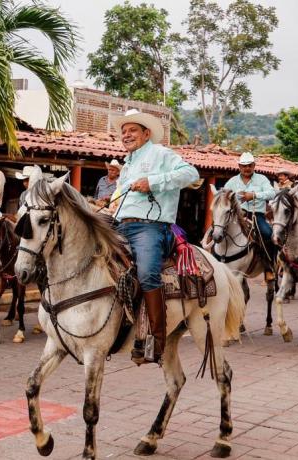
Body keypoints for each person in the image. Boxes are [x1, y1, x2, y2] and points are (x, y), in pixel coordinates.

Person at [113, 109, 200, 364]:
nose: (127, 135)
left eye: (133, 130)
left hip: (150, 227)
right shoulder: (127, 164)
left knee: (147, 273)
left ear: (146, 133)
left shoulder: (161, 153)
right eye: (124, 131)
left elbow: (191, 174)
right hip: (120, 224)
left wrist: (153, 182)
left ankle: (157, 340)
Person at [222, 152, 277, 263]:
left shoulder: (262, 179)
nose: (247, 168)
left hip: (256, 215)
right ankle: (216, 260)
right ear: (239, 166)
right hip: (236, 215)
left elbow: (272, 193)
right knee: (217, 232)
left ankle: (270, 265)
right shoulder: (232, 181)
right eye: (244, 166)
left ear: (254, 166)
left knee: (268, 234)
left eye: (249, 165)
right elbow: (223, 195)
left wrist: (254, 195)